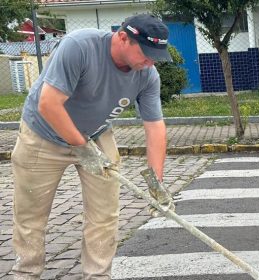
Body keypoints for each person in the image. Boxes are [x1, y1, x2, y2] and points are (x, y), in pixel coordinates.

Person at [10, 14, 170, 279]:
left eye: (156, 57)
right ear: (122, 38)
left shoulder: (147, 75)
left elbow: (155, 128)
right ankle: (26, 273)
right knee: (31, 215)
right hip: (42, 134)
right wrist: (81, 147)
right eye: (146, 53)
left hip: (95, 135)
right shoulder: (80, 47)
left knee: (104, 214)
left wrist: (156, 185)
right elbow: (48, 104)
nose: (150, 62)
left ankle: (97, 276)